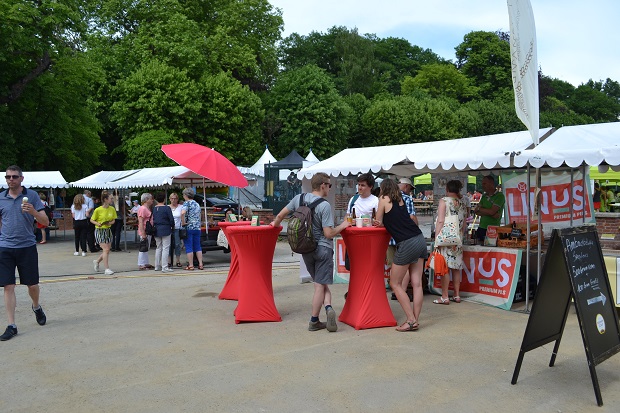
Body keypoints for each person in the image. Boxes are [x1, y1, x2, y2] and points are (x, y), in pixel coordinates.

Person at [271, 172, 350, 332]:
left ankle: (328, 308)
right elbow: (328, 234)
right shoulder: (324, 205)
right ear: (322, 185)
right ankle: (314, 320)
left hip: (306, 249)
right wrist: (344, 225)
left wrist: (275, 225)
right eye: (329, 185)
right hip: (323, 249)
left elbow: (280, 215)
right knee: (320, 285)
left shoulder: (299, 198)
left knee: (320, 284)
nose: (330, 187)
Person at [0, 165, 48, 341]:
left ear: (21, 178)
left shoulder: (32, 196)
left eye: (14, 177)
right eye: (8, 177)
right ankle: (11, 325)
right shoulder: (1, 198)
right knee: (8, 286)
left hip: (27, 246)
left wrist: (33, 211)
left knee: (32, 285)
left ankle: (36, 306)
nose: (10, 180)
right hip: (5, 247)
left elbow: (45, 220)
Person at [374, 178, 427, 332]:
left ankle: (410, 320)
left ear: (383, 189)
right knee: (417, 284)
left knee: (395, 283)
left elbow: (378, 220)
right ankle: (415, 319)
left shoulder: (383, 199)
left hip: (406, 243)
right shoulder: (402, 199)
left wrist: (378, 222)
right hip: (419, 238)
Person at [433, 180, 467, 305]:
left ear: (447, 189)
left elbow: (440, 221)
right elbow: (464, 223)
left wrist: (437, 237)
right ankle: (457, 295)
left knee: (445, 267)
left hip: (445, 238)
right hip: (458, 238)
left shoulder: (444, 201)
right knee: (456, 267)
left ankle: (445, 296)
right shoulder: (462, 203)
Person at [388, 178, 418, 301]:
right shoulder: (407, 199)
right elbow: (412, 217)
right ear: (405, 187)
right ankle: (401, 291)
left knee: (392, 266)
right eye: (410, 188)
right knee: (404, 267)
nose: (410, 191)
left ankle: (395, 289)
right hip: (404, 238)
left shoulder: (387, 198)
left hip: (390, 237)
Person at [90, 191, 117, 275]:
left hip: (108, 230)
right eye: (111, 198)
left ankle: (97, 261)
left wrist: (110, 223)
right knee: (106, 249)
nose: (112, 200)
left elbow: (113, 220)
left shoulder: (112, 209)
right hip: (100, 230)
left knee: (107, 250)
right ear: (105, 199)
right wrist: (97, 223)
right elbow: (91, 219)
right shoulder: (98, 210)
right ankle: (107, 268)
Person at [474, 175, 505, 243]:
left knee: (491, 248)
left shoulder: (500, 196)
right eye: (482, 184)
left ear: (491, 183)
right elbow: (476, 211)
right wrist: (490, 213)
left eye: (484, 183)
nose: (482, 185)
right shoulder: (484, 196)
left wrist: (481, 208)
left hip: (492, 229)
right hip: (481, 227)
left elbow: (491, 211)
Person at [181, 188, 203, 270]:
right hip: (197, 227)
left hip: (189, 227)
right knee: (197, 246)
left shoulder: (186, 203)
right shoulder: (197, 204)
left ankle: (191, 265)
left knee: (189, 246)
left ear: (186, 195)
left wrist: (183, 222)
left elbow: (183, 213)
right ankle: (200, 264)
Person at [152, 192, 175, 273]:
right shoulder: (167, 208)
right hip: (166, 228)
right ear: (164, 199)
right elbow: (171, 219)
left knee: (158, 247)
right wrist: (172, 226)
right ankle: (164, 267)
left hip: (156, 229)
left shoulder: (154, 208)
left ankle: (157, 265)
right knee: (166, 248)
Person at [137, 193, 155, 270]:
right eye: (151, 199)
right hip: (144, 230)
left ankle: (145, 262)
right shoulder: (143, 209)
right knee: (143, 246)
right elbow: (140, 221)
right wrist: (143, 232)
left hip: (147, 230)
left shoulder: (146, 208)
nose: (152, 200)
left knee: (146, 246)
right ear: (146, 200)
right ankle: (141, 263)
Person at [168, 192, 183, 268]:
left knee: (177, 244)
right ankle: (169, 261)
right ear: (170, 199)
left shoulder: (181, 207)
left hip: (177, 228)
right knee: (169, 245)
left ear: (177, 199)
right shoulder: (167, 207)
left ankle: (178, 260)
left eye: (175, 198)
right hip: (169, 229)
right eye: (172, 198)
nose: (173, 200)